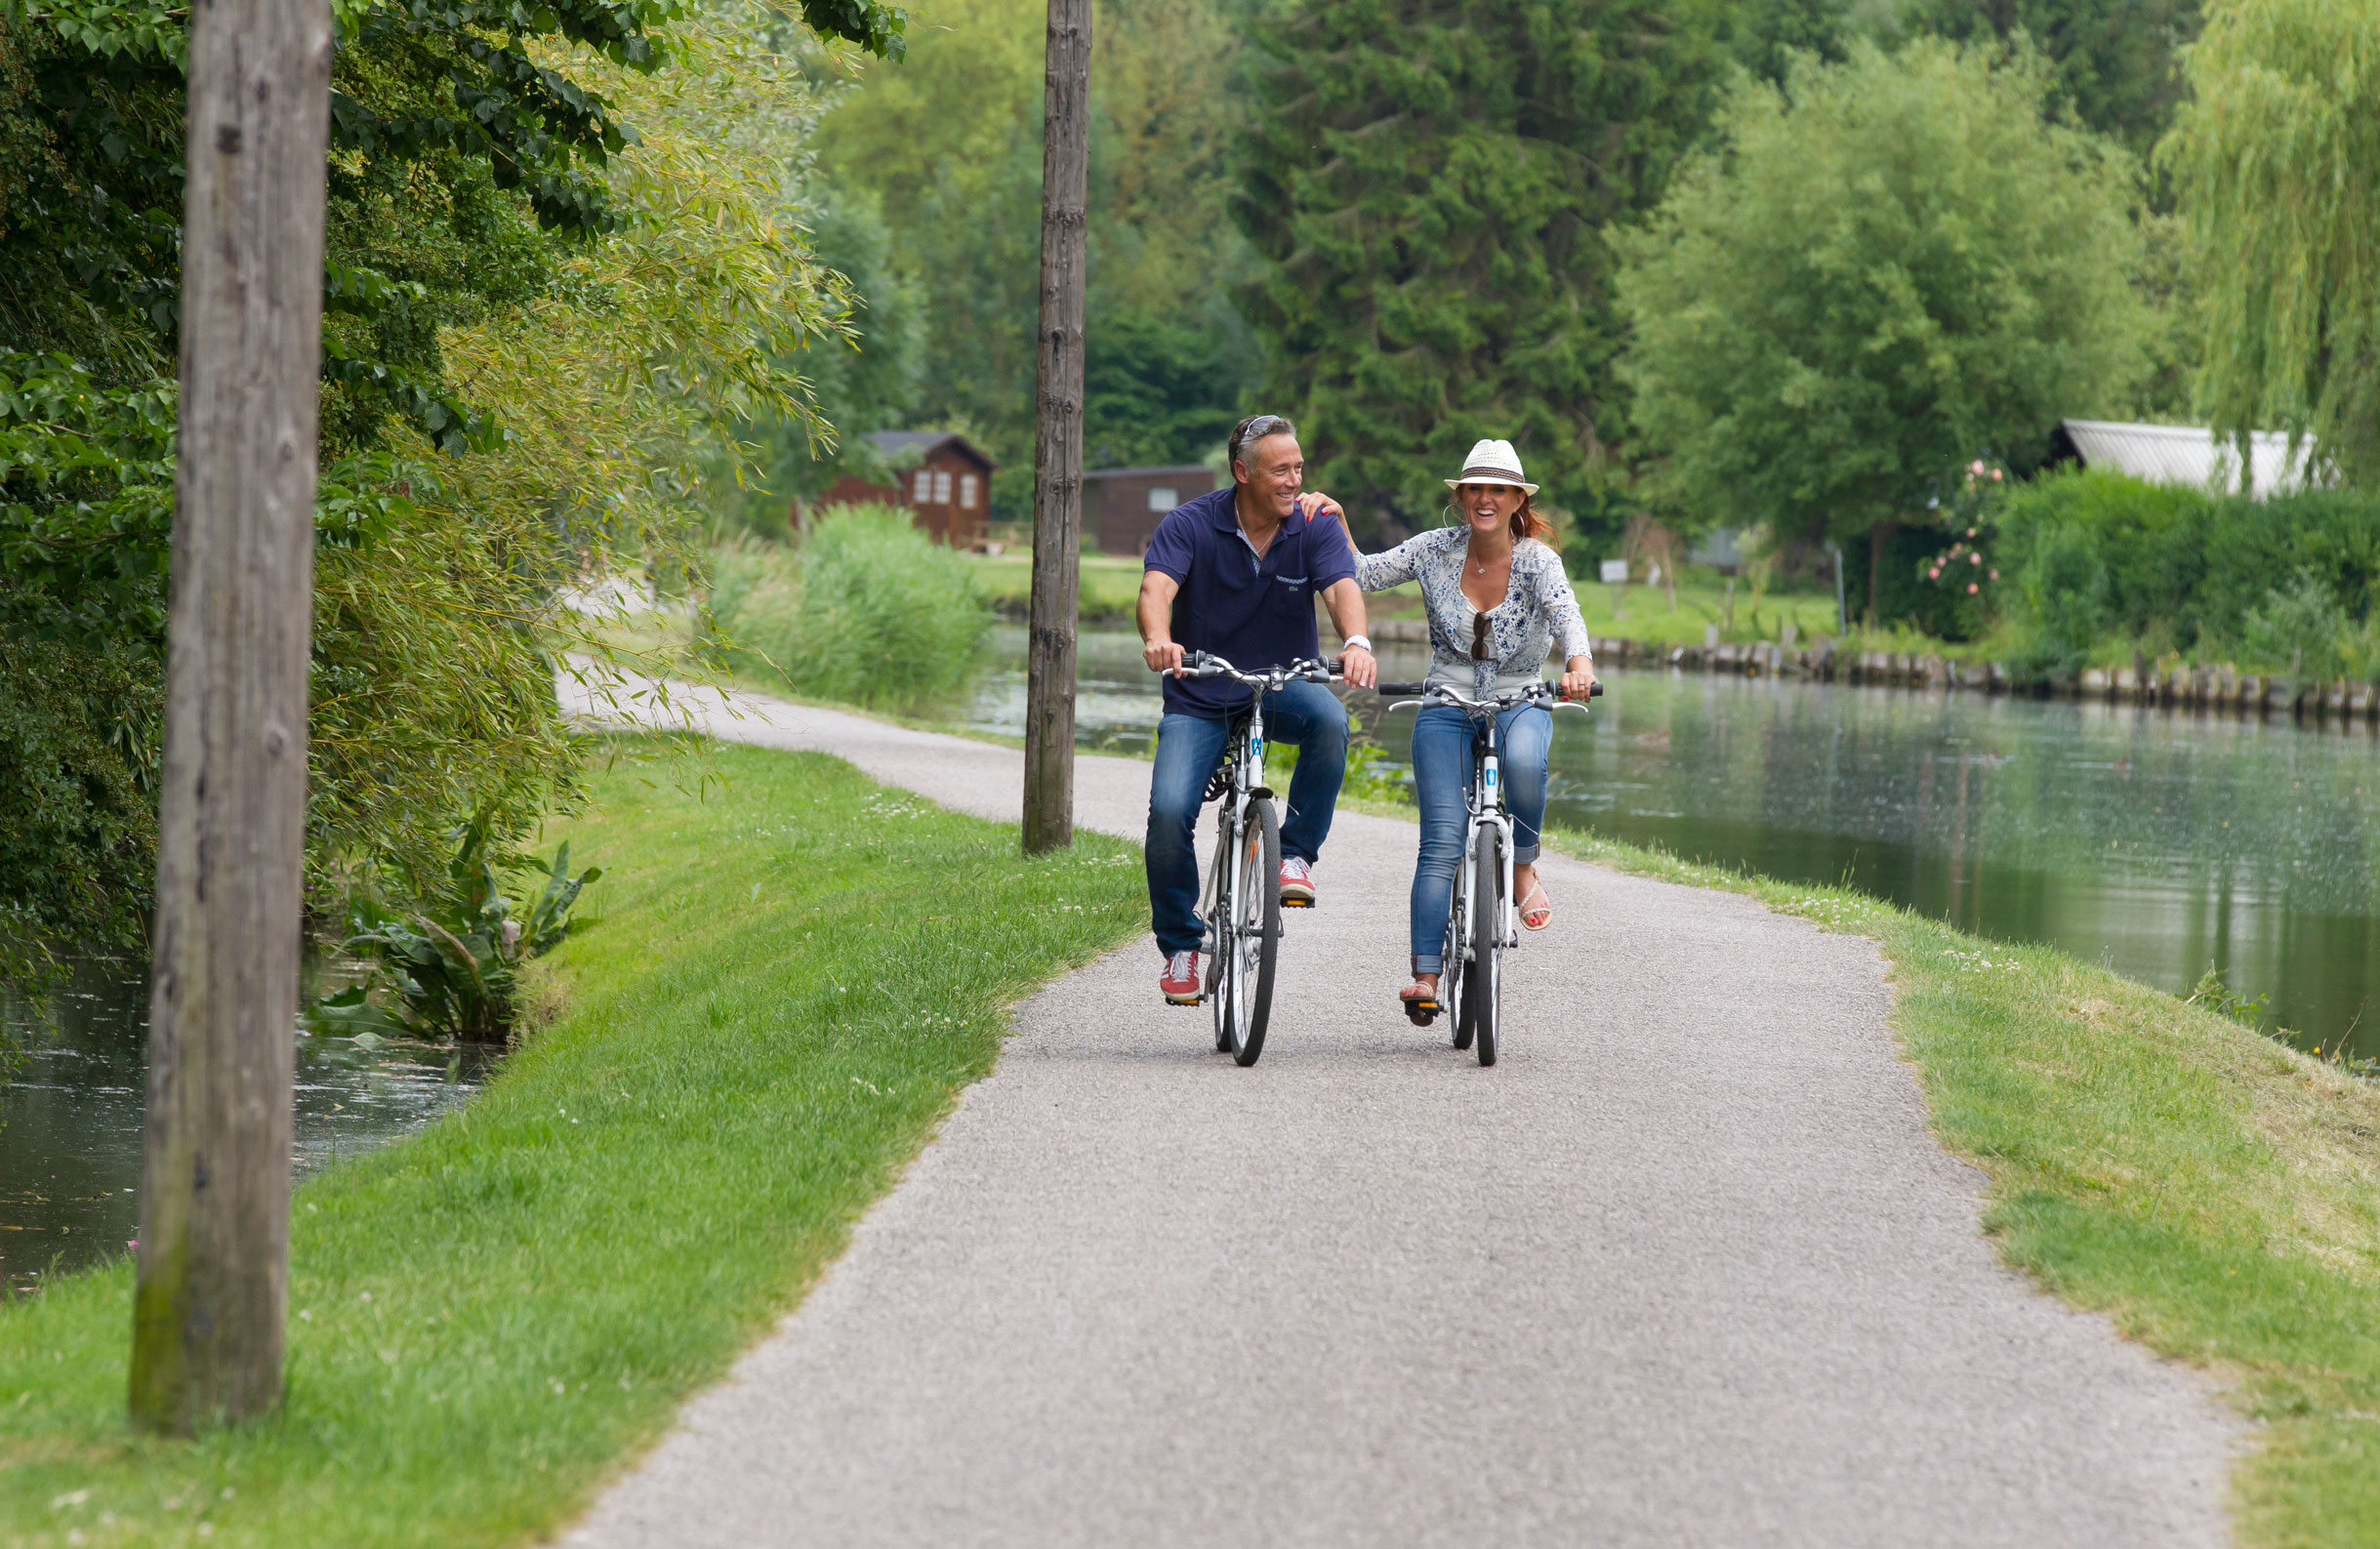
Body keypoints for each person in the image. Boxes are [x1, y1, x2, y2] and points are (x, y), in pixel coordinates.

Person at [1308, 438, 1594, 1025]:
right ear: (1461, 497)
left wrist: (1579, 665)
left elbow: (1568, 616)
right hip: (1445, 697)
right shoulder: (1434, 549)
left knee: (1521, 766)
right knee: (1440, 841)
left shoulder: (1539, 562)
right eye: (1475, 489)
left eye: (1498, 490)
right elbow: (1362, 572)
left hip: (1520, 696)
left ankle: (1521, 865)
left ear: (1517, 499)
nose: (1485, 499)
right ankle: (1424, 977)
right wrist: (1337, 523)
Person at [1138, 414, 1378, 1006]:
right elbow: (1156, 590)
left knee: (1329, 721)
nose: (1295, 480)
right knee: (1169, 813)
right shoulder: (1190, 524)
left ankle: (1294, 855)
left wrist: (1356, 641)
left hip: (1281, 683)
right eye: (1281, 469)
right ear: (1243, 472)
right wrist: (1158, 638)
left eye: (1299, 467)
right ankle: (1182, 947)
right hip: (1201, 692)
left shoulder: (1313, 525)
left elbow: (1342, 586)